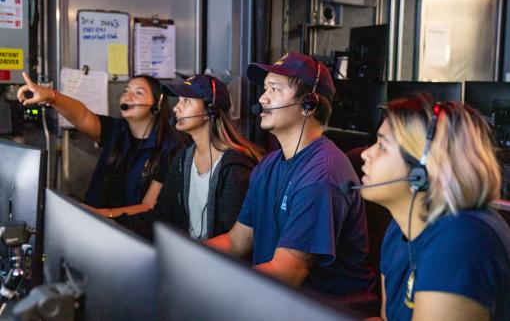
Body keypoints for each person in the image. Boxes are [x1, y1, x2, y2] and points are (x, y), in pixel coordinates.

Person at [206, 52, 375, 297]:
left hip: (325, 309)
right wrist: (183, 257)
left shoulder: (321, 176)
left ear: (308, 104)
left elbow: (287, 273)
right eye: (265, 89)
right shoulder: (268, 164)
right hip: (277, 299)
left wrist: (217, 287)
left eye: (274, 89)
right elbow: (237, 241)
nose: (262, 98)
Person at [360, 96, 510, 320]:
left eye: (382, 145)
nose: (366, 153)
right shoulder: (400, 227)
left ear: (422, 170)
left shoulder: (461, 243)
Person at [117, 75, 263, 241]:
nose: (176, 108)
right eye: (179, 101)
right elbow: (163, 214)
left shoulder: (235, 168)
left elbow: (234, 239)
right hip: (186, 255)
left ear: (210, 111)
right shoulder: (183, 159)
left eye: (186, 101)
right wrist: (116, 223)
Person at [16, 73, 184, 215]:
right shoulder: (117, 131)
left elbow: (148, 207)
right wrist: (52, 96)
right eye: (126, 91)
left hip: (133, 235)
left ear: (157, 104)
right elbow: (82, 116)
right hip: (97, 224)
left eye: (138, 93)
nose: (128, 96)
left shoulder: (169, 148)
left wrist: (102, 215)